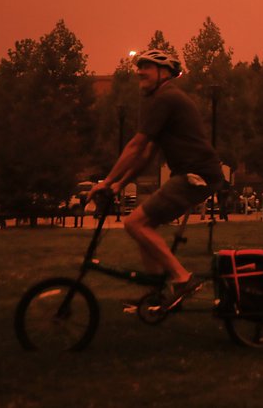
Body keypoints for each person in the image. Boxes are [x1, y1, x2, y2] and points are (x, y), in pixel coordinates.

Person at [87, 49, 225, 308]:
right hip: (191, 173)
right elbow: (146, 155)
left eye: (147, 68)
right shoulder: (160, 100)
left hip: (196, 174)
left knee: (135, 223)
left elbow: (136, 146)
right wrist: (118, 184)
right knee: (143, 225)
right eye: (139, 68)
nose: (140, 72)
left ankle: (183, 278)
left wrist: (106, 181)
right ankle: (155, 294)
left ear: (165, 73)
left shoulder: (167, 98)